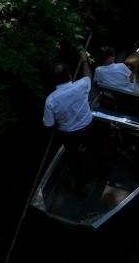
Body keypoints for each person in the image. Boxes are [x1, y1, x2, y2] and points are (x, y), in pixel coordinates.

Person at [43, 53, 94, 192]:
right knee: (95, 148)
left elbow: (48, 125)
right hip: (88, 127)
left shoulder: (50, 100)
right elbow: (88, 76)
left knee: (74, 161)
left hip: (69, 134)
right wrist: (84, 61)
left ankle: (80, 187)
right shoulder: (82, 84)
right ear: (70, 75)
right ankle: (100, 171)